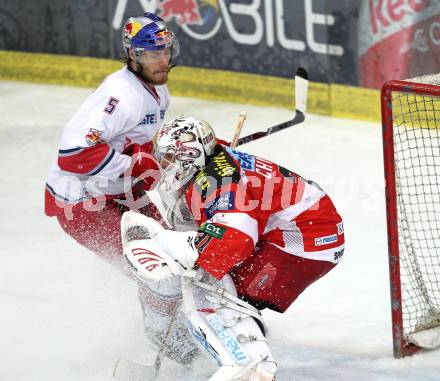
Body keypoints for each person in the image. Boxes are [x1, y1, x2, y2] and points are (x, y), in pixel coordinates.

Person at [121, 116, 345, 380]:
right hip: (295, 230)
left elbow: (235, 239)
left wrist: (181, 249)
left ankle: (252, 366)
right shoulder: (213, 163)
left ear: (189, 156)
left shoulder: (220, 179)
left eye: (169, 157)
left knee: (209, 284)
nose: (164, 165)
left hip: (305, 241)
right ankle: (237, 351)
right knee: (210, 277)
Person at [44, 12, 179, 273]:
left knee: (176, 249)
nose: (163, 61)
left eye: (166, 51)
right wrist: (134, 166)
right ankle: (161, 314)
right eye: (154, 54)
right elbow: (73, 155)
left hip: (119, 191)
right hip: (81, 199)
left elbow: (138, 144)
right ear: (134, 55)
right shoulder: (120, 95)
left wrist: (190, 147)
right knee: (155, 269)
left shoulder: (160, 90)